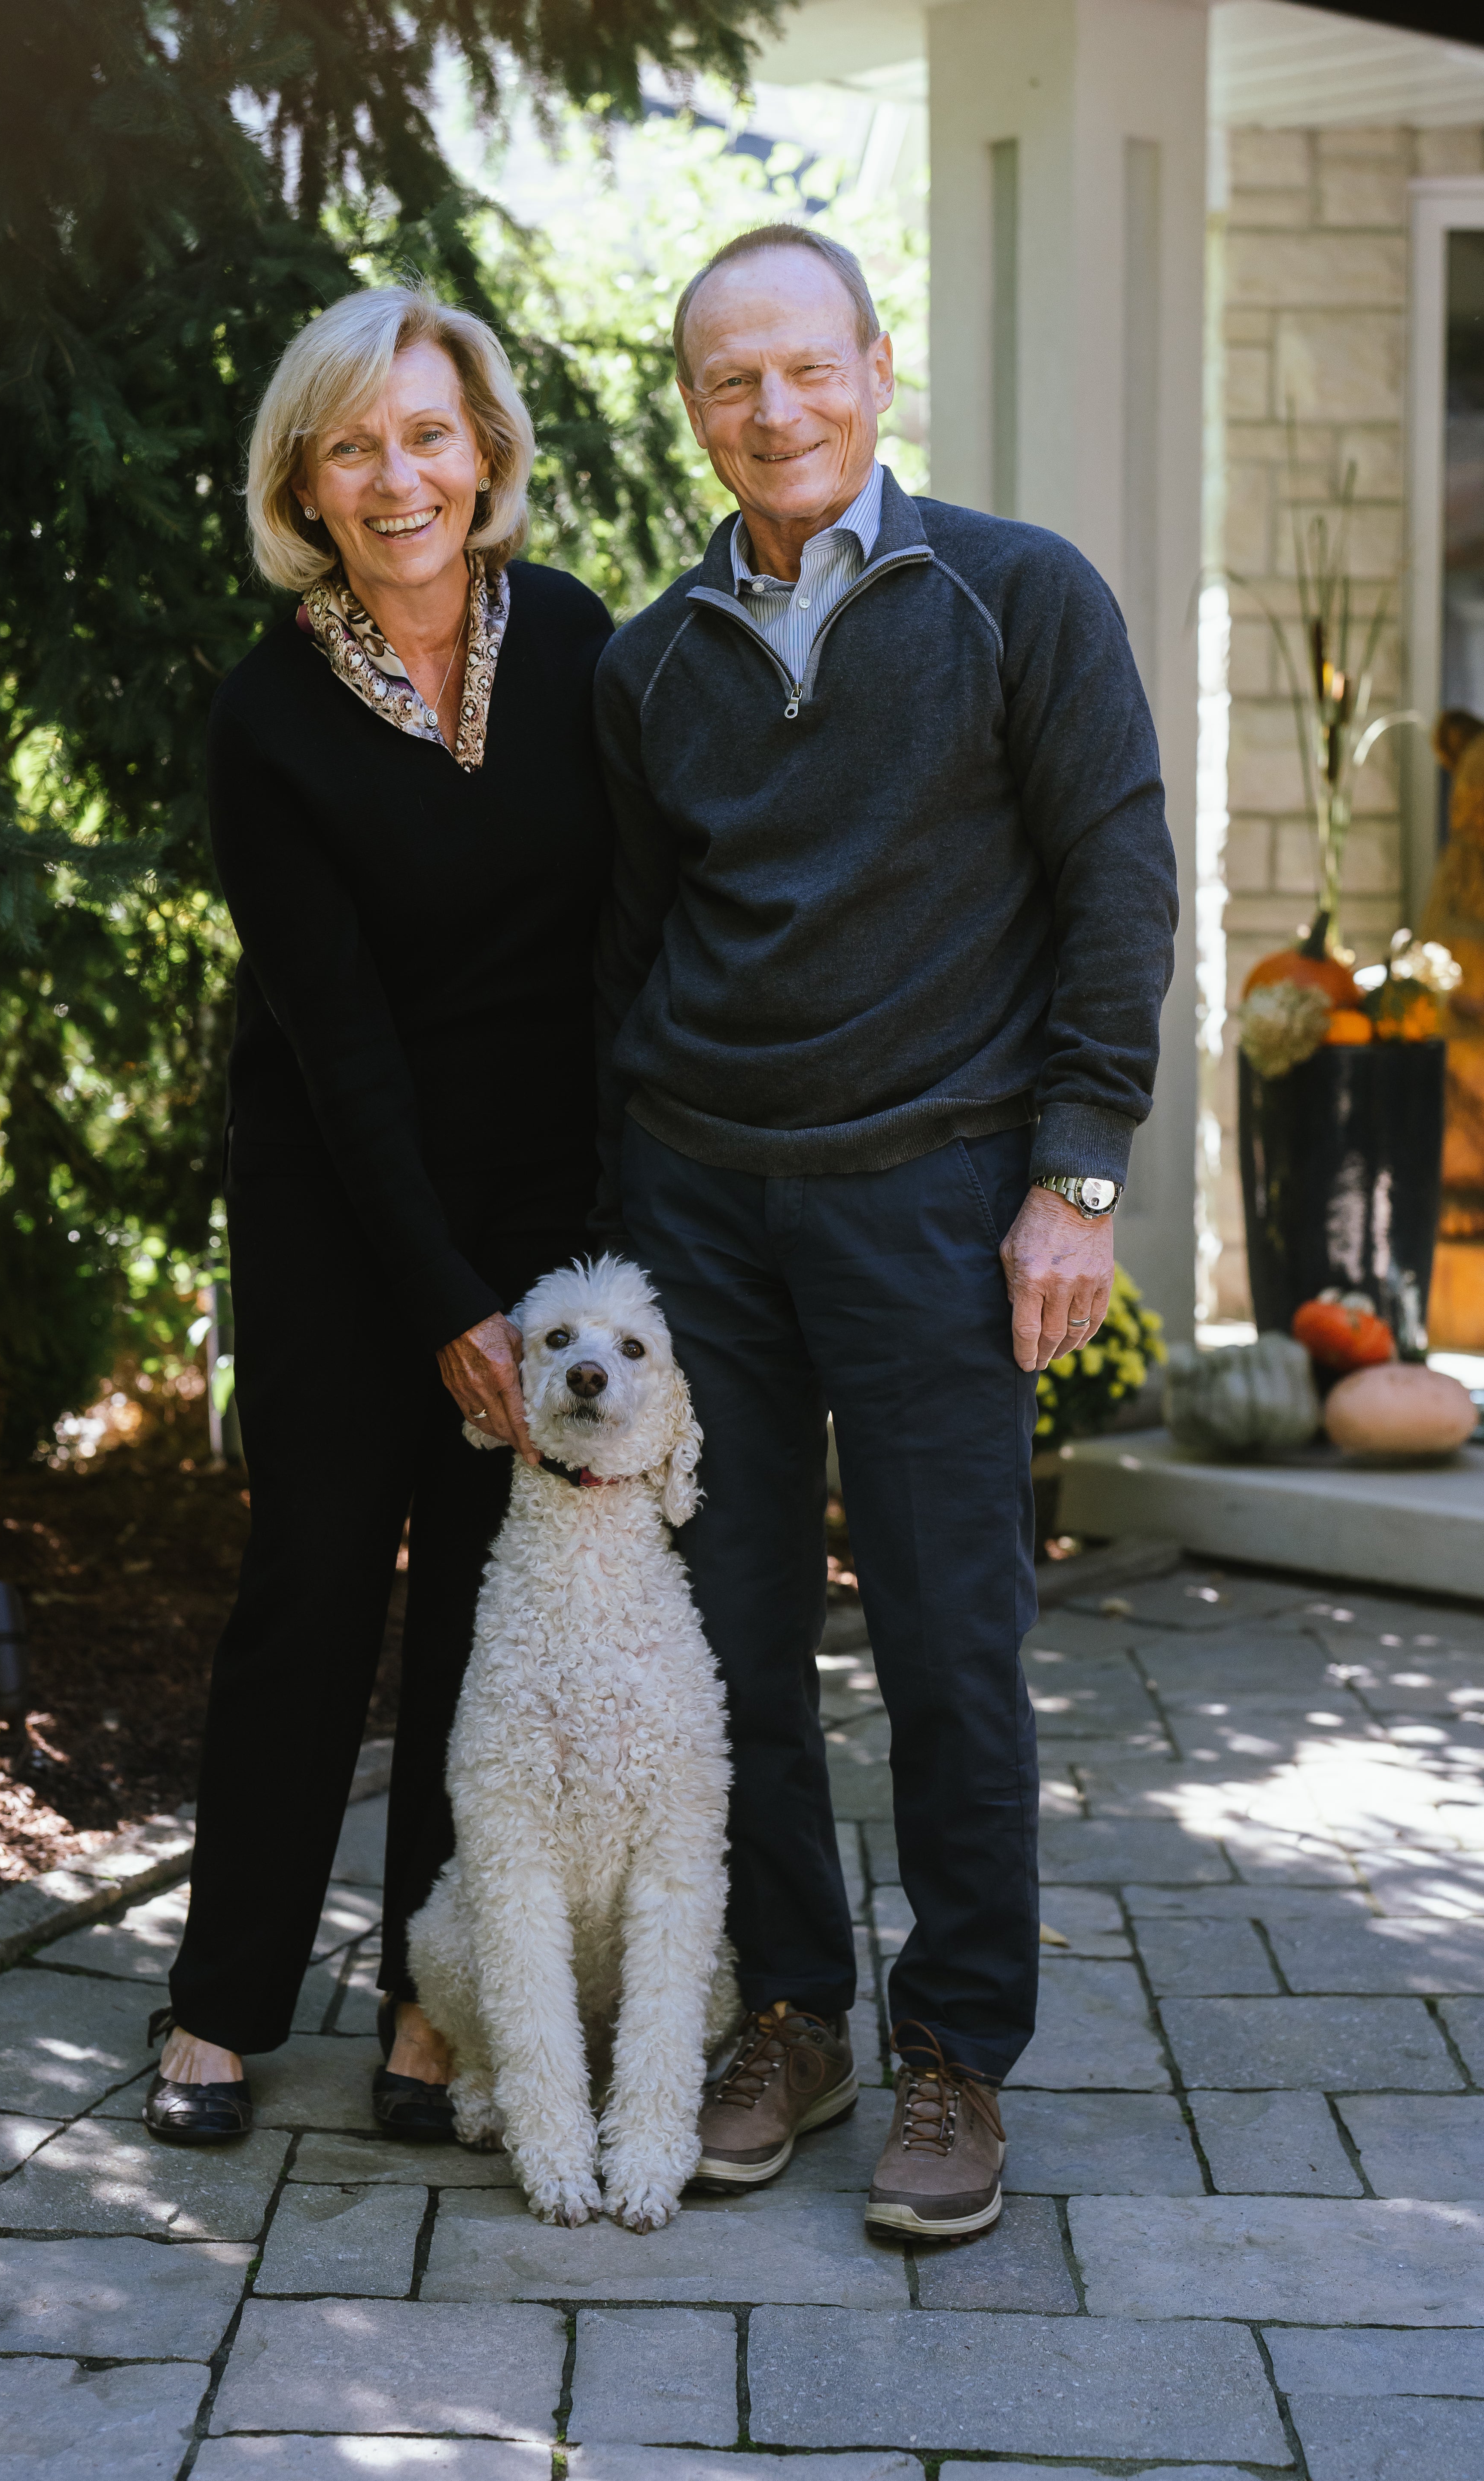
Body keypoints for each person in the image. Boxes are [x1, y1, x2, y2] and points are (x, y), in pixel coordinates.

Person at [593, 225, 1177, 2237]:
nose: (777, 410)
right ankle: (792, 2009)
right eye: (732, 381)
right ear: (697, 407)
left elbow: (1117, 886)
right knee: (733, 1637)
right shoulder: (649, 659)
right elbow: (632, 942)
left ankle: (955, 2056)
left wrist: (1074, 1179)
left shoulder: (1019, 598)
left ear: (878, 364)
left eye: (808, 368)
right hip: (704, 1201)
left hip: (938, 1193)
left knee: (954, 1639)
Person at [145, 283, 614, 2144]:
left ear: (484, 450)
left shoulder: (580, 647)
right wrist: (439, 1298)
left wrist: (557, 1270)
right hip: (342, 1197)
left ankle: (434, 2004)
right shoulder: (268, 717)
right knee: (317, 1583)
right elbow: (336, 1042)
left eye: (428, 434)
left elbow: (624, 949)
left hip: (548, 1196)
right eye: (355, 446)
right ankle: (220, 2000)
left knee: (489, 1611)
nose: (397, 474)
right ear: (305, 486)